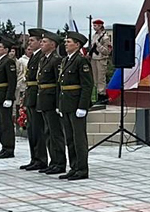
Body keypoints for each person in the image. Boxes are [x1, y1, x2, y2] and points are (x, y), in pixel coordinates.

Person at [57, 32, 94, 181]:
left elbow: (87, 85)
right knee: (70, 138)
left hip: (76, 104)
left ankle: (82, 169)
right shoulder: (66, 60)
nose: (66, 44)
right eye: (65, 42)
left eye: (69, 42)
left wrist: (83, 106)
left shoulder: (81, 61)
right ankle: (74, 167)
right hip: (66, 103)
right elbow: (62, 85)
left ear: (77, 45)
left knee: (79, 139)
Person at [37, 32, 65, 175]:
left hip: (52, 100)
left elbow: (58, 83)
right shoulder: (44, 59)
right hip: (44, 99)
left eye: (44, 42)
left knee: (55, 133)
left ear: (53, 45)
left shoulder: (56, 60)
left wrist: (58, 103)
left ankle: (60, 162)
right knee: (48, 132)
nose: (41, 44)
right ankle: (53, 161)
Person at [20, 29, 48, 172]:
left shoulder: (40, 57)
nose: (29, 43)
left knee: (38, 129)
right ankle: (34, 158)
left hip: (37, 95)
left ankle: (41, 159)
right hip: (31, 94)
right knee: (31, 129)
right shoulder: (34, 57)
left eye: (32, 40)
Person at [0, 40, 18, 159]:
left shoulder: (9, 62)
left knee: (6, 123)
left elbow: (12, 82)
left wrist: (9, 97)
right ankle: (4, 146)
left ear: (6, 50)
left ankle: (9, 148)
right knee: (0, 123)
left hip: (4, 95)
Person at [88, 19, 112, 103]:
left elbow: (107, 51)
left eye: (95, 25)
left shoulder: (105, 37)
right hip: (94, 58)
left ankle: (102, 95)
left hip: (101, 59)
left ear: (100, 25)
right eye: (93, 25)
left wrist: (98, 44)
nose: (94, 27)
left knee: (101, 79)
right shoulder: (94, 36)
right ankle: (97, 94)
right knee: (95, 79)